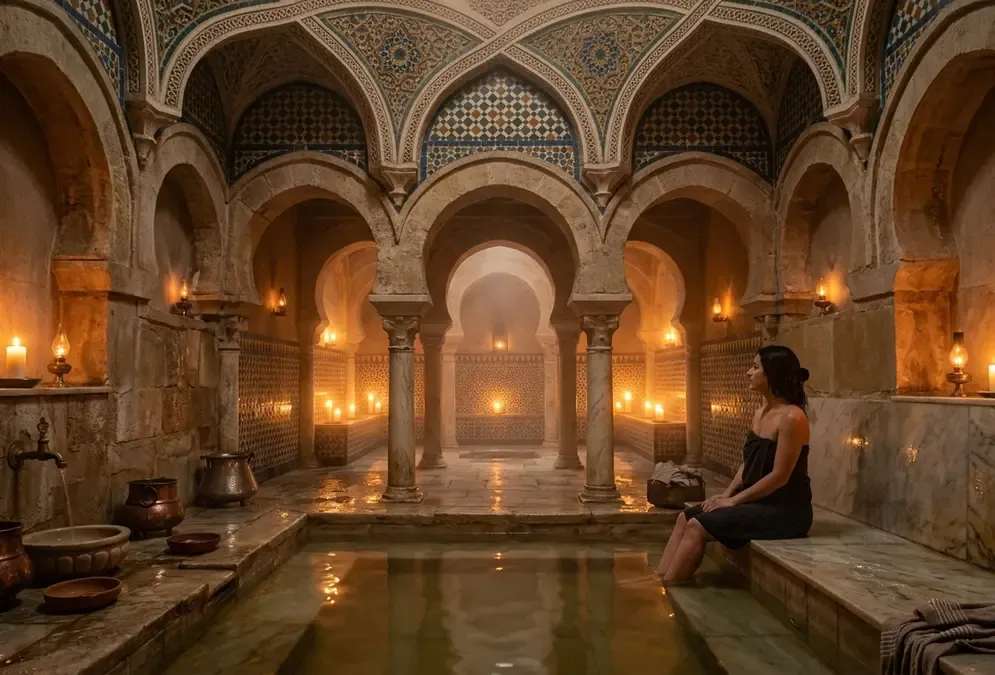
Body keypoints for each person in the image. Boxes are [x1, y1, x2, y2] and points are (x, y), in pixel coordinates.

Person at [655, 344, 813, 583]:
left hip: (784, 510)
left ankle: (672, 587)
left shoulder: (793, 417)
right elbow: (747, 464)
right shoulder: (760, 412)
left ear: (772, 373)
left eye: (755, 367)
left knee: (697, 526)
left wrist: (734, 501)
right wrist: (725, 495)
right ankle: (659, 578)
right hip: (757, 502)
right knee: (685, 517)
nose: (748, 372)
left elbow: (780, 476)